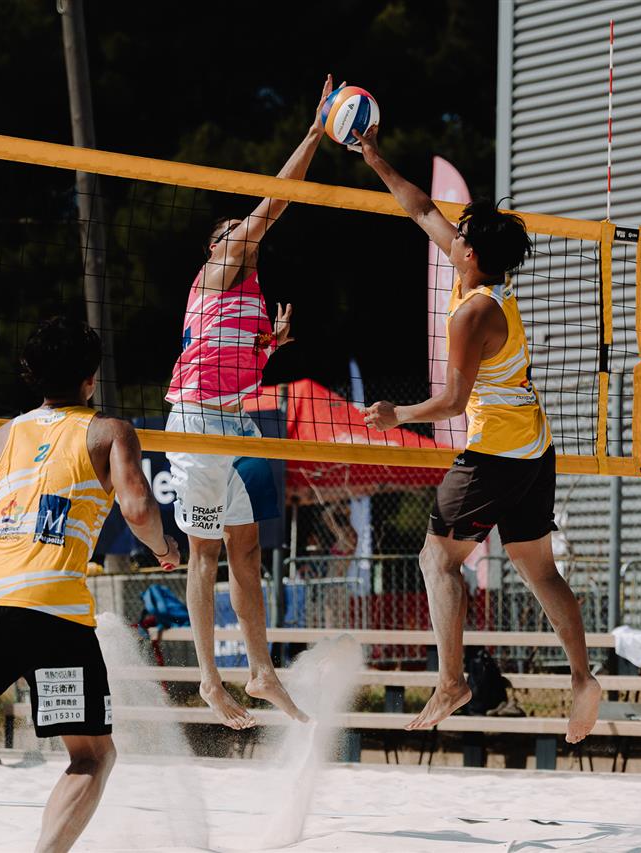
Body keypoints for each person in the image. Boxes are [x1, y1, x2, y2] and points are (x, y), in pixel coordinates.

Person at [351, 123, 601, 743]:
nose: (453, 233)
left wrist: (397, 415)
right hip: (533, 447)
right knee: (540, 570)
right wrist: (374, 157)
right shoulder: (484, 281)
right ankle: (582, 679)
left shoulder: (474, 313)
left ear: (469, 254)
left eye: (461, 234)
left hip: (496, 454)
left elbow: (453, 402)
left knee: (436, 558)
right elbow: (421, 209)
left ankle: (451, 681)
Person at [0, 317, 178, 853]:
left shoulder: (0, 436)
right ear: (90, 380)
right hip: (51, 612)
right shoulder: (110, 431)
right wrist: (166, 550)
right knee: (92, 755)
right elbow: (138, 510)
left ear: (32, 375)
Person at [164, 76, 336, 728]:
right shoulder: (219, 267)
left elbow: (229, 360)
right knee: (204, 553)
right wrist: (314, 131)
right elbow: (277, 200)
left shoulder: (249, 297)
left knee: (247, 549)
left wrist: (269, 347)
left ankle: (261, 670)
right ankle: (210, 680)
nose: (243, 233)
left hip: (231, 421)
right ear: (217, 247)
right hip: (197, 424)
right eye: (233, 230)